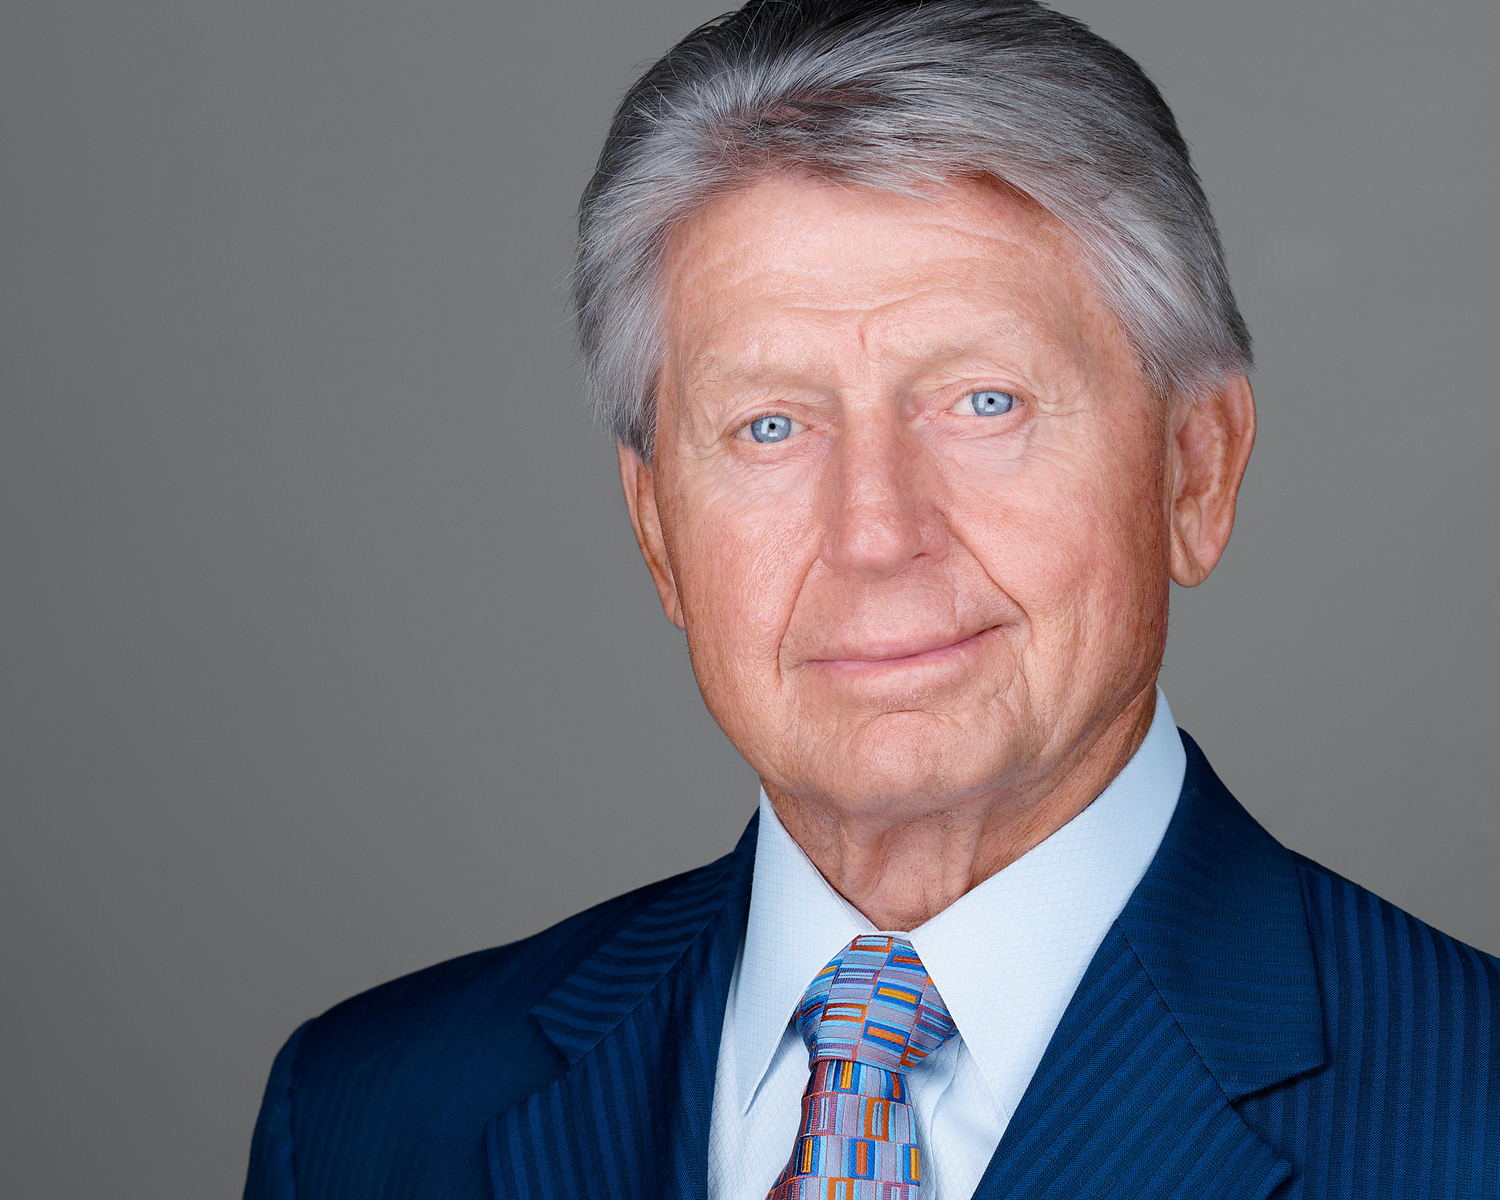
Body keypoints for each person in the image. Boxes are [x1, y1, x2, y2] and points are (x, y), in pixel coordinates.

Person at [243, 3, 1499, 1197]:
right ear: (658, 530)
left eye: (985, 403)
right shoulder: (365, 1117)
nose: (876, 534)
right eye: (770, 425)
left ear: (1194, 471)